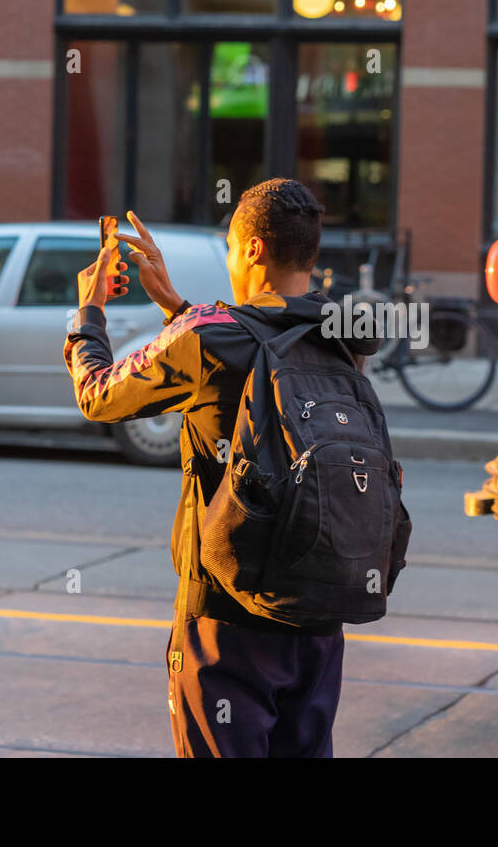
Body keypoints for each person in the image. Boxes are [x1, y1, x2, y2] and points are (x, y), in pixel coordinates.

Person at [63, 178, 402, 757]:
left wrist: (89, 311)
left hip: (225, 621)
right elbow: (265, 339)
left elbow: (98, 394)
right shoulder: (345, 335)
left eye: (229, 249)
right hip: (318, 615)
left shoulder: (208, 338)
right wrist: (174, 303)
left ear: (251, 250)